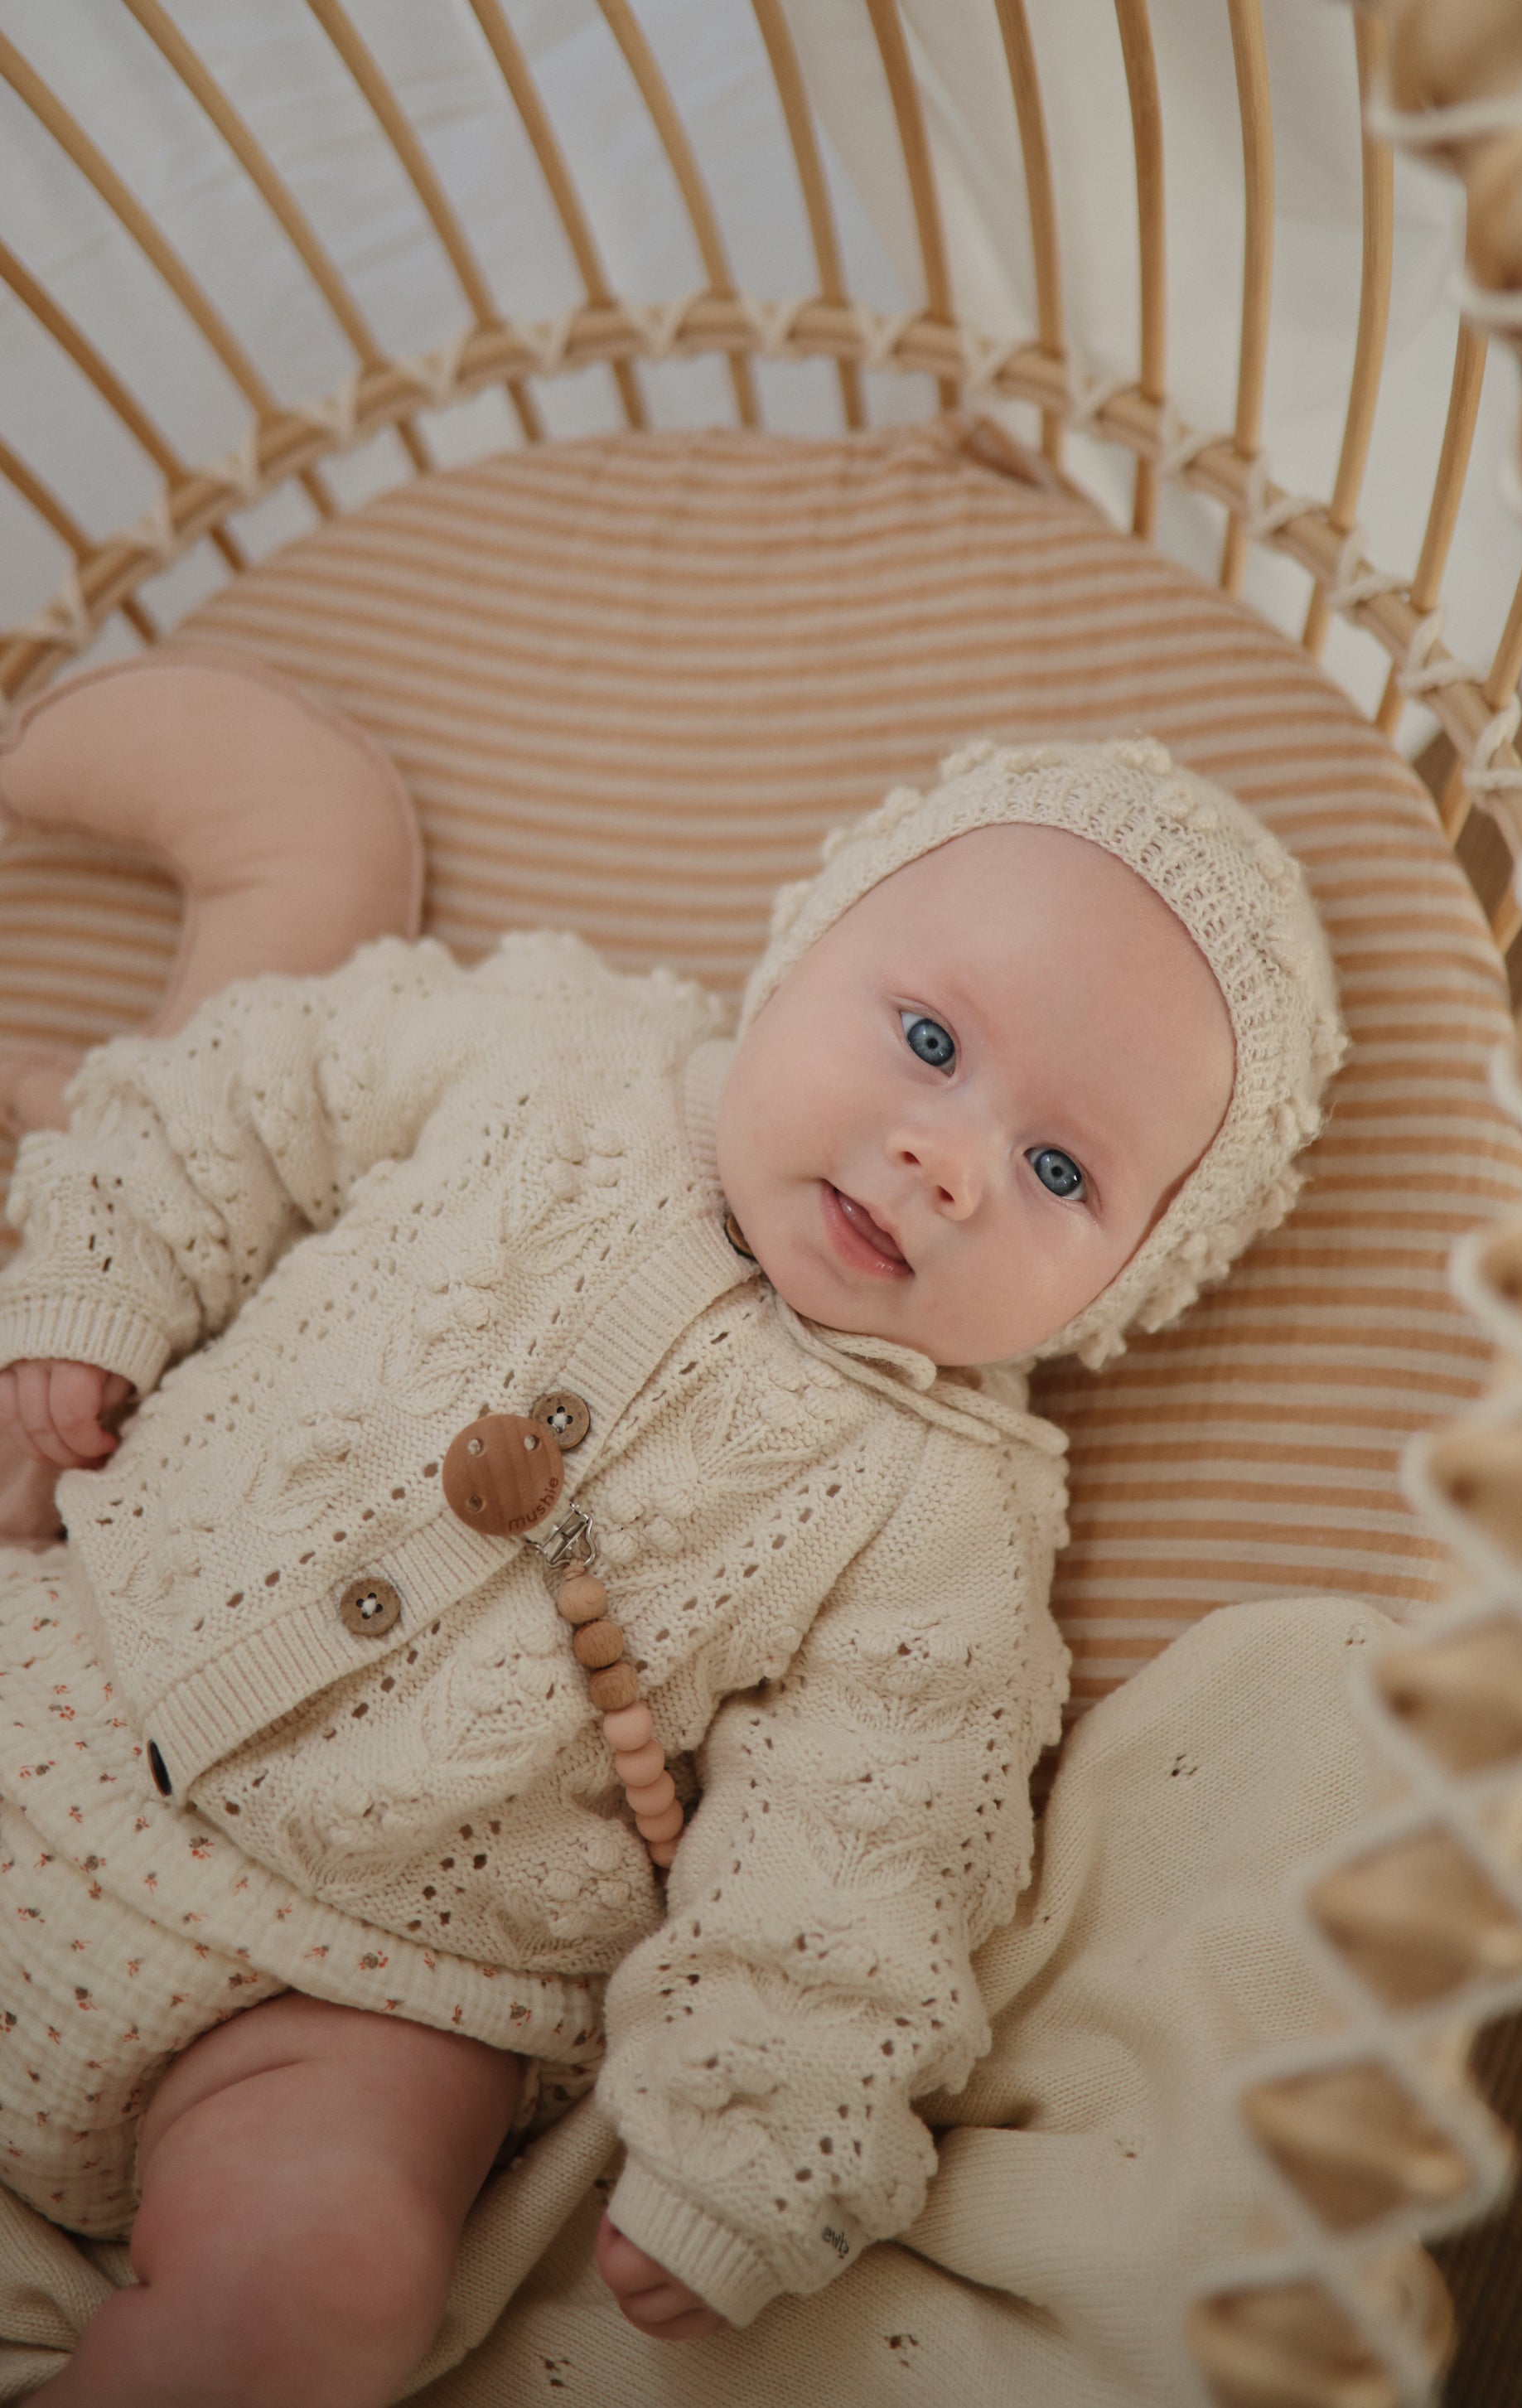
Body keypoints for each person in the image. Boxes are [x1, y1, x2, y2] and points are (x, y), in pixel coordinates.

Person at [0, 736, 1341, 2406]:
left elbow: (871, 1844)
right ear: (804, 947)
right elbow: (244, 1091)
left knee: (339, 2281)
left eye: (1061, 1172)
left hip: (356, 2000)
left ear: (1131, 1286)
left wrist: (753, 2140)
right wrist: (93, 1289)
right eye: (929, 1040)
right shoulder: (553, 1048)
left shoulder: (946, 1511)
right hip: (57, 1665)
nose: (951, 1160)